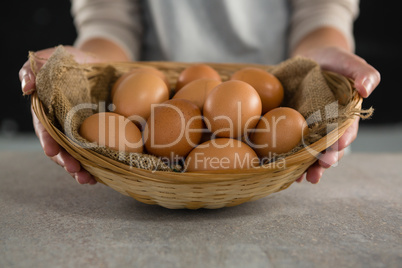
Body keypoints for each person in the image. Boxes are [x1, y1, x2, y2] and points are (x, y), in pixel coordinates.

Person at [19, 0, 380, 185]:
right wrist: (86, 66)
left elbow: (321, 13)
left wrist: (316, 64)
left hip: (278, 93)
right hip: (157, 97)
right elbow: (110, 24)